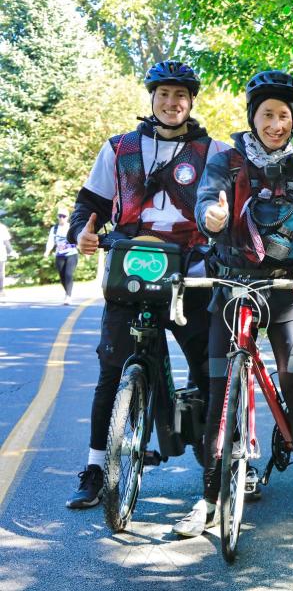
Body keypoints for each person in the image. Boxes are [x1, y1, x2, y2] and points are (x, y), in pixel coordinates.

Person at [65, 60, 228, 509]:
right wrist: (81, 231)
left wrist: (222, 222)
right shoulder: (119, 148)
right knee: (110, 369)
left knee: (207, 369)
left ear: (191, 101)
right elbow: (90, 204)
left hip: (191, 275)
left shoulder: (215, 152)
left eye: (180, 96)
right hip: (131, 269)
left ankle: (223, 460)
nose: (172, 103)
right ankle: (96, 467)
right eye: (164, 95)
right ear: (152, 99)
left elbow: (230, 210)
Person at [185, 69, 293, 536]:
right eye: (266, 114)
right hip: (230, 290)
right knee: (217, 394)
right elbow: (207, 203)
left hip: (285, 291)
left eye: (283, 116)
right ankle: (208, 501)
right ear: (253, 118)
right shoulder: (224, 162)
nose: (275, 124)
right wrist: (211, 216)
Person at [44, 207, 78, 304]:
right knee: (62, 276)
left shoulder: (71, 227)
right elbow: (50, 241)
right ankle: (67, 292)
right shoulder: (54, 229)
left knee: (68, 274)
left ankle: (68, 296)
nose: (62, 218)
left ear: (67, 217)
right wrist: (47, 251)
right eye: (60, 216)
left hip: (71, 253)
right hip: (59, 255)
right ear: (57, 217)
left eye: (64, 216)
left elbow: (77, 239)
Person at [0, 219, 15, 301]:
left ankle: (1, 290)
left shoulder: (2, 228)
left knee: (1, 273)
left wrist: (11, 251)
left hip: (1, 253)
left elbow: (6, 241)